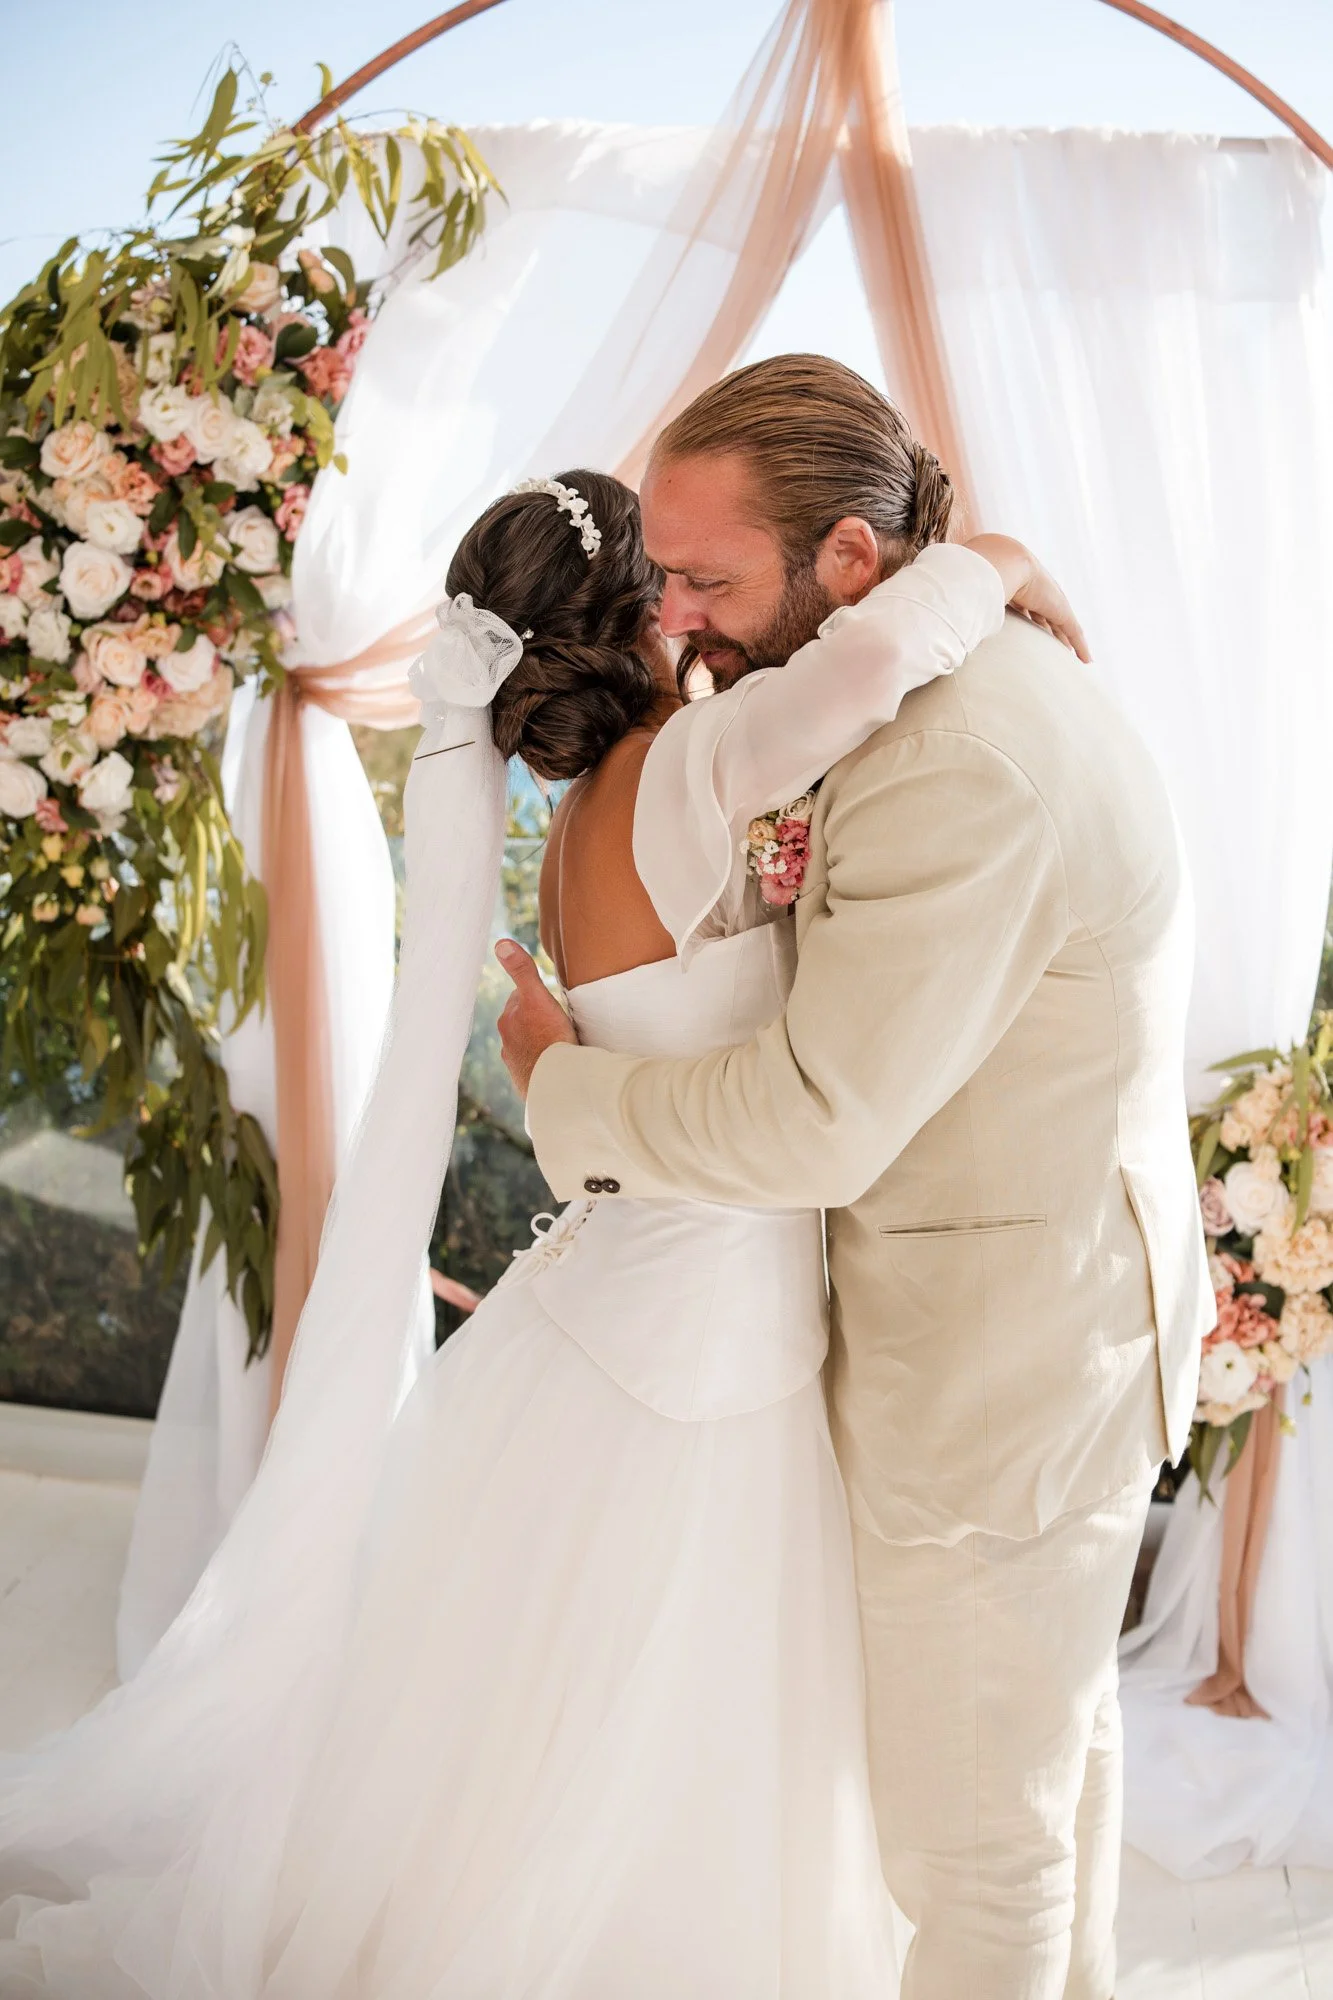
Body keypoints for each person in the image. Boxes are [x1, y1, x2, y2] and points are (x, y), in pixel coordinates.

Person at [0, 441, 1076, 1997]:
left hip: (614, 1306)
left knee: (512, 1727)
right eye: (685, 582)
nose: (706, 612)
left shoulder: (574, 828)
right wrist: (1015, 560)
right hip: (708, 1352)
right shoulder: (699, 771)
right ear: (639, 614)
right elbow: (893, 652)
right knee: (662, 1735)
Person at [497, 356, 1215, 2000]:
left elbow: (822, 1117)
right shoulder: (934, 686)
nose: (668, 616)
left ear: (844, 560)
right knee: (1043, 1786)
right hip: (1043, 1334)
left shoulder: (956, 759)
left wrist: (568, 1093)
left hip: (1001, 1378)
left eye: (702, 576)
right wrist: (1003, 562)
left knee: (971, 1858)